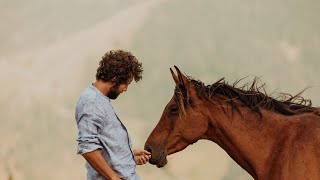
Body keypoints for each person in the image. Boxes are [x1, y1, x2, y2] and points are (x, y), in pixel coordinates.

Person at [75, 50, 151, 180]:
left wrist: (129, 156)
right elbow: (87, 148)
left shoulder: (100, 100)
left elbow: (104, 144)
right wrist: (113, 178)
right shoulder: (91, 102)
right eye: (126, 84)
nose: (125, 89)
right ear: (115, 78)